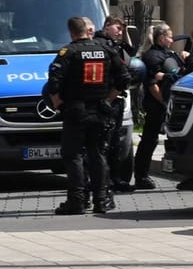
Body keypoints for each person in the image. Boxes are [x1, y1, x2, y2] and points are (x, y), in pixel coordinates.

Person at [44, 16, 130, 214]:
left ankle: (77, 200)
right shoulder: (106, 50)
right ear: (87, 30)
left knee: (73, 155)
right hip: (100, 111)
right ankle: (101, 199)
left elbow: (53, 83)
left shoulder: (68, 52)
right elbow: (124, 77)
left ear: (71, 32)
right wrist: (108, 99)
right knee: (98, 153)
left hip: (76, 111)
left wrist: (58, 105)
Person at [133, 24, 183, 190]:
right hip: (158, 105)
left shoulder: (169, 54)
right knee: (149, 139)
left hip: (173, 104)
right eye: (169, 36)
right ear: (161, 38)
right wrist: (164, 102)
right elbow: (152, 84)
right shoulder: (152, 56)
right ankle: (141, 176)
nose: (171, 39)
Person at [94, 16, 139, 192]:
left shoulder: (115, 44)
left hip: (116, 98)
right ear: (106, 27)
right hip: (106, 98)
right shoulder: (100, 44)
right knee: (103, 142)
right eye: (117, 28)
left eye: (122, 29)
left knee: (114, 142)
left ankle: (114, 178)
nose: (120, 32)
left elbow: (131, 50)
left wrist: (125, 31)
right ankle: (103, 181)